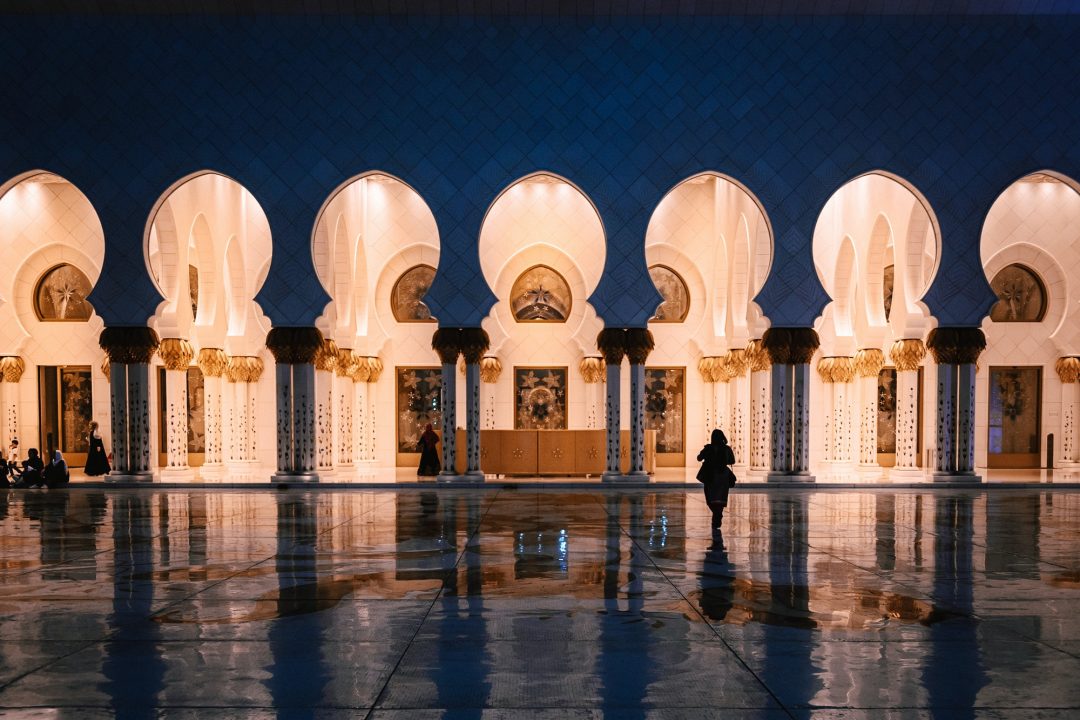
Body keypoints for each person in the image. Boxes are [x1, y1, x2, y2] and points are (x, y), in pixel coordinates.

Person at [696, 429, 736, 530]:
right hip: (723, 475)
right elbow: (732, 461)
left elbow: (699, 458)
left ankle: (716, 516)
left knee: (710, 498)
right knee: (720, 499)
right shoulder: (727, 449)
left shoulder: (708, 448)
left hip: (711, 475)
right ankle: (718, 515)